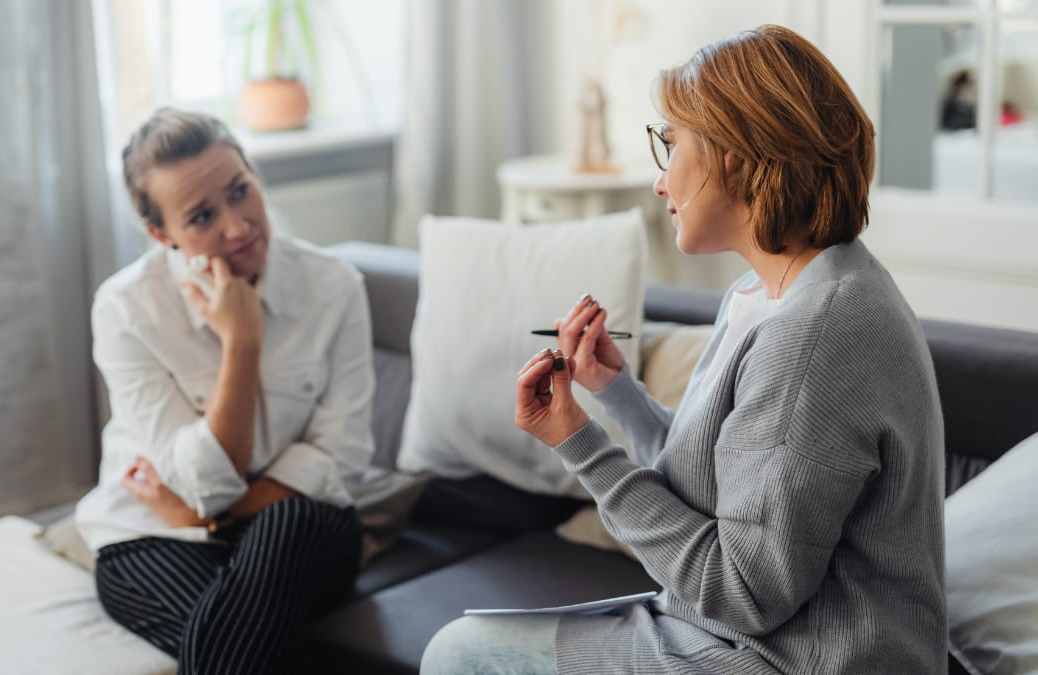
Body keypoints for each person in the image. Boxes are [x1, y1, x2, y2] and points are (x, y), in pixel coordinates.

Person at [422, 24, 945, 674]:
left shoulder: (812, 336)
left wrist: (578, 442)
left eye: (669, 146)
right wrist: (618, 393)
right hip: (746, 640)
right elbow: (727, 489)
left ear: (736, 152)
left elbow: (743, 593)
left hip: (789, 659)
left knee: (459, 654)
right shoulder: (776, 289)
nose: (659, 182)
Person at [74, 108, 375, 674]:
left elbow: (345, 460)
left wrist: (203, 514)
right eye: (202, 216)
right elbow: (205, 482)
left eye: (241, 191)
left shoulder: (334, 287)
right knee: (248, 644)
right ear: (162, 235)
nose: (238, 227)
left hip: (302, 531)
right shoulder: (126, 311)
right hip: (154, 534)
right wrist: (242, 344)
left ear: (255, 174)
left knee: (292, 525)